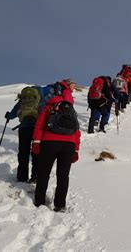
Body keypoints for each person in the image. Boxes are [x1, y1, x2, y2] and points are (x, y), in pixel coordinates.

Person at [4, 80, 73, 183]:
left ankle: (21, 177)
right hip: (38, 127)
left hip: (24, 127)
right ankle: (35, 176)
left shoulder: (27, 96)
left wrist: (9, 115)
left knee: (23, 152)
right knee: (36, 152)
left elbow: (15, 110)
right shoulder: (49, 93)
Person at [32, 80, 80, 212]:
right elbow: (77, 131)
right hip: (69, 145)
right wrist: (76, 149)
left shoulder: (50, 106)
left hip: (49, 143)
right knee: (63, 176)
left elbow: (39, 125)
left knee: (43, 173)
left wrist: (36, 142)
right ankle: (60, 205)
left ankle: (39, 201)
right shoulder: (71, 109)